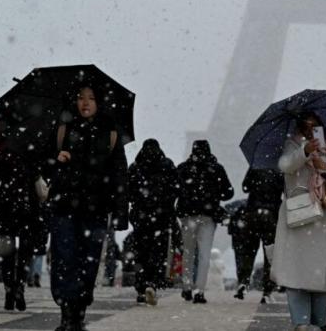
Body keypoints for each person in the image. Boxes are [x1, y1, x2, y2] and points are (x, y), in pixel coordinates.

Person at [46, 85, 128, 331]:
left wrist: (121, 211)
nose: (85, 103)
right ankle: (67, 313)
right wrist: (55, 160)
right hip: (64, 205)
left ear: (100, 102)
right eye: (81, 97)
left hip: (96, 207)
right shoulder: (61, 128)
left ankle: (79, 311)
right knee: (64, 258)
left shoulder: (110, 131)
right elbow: (41, 164)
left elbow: (120, 173)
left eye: (91, 98)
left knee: (88, 262)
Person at [271, 111, 326, 331]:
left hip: (321, 217)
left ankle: (320, 317)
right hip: (298, 215)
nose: (310, 129)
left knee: (323, 273)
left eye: (315, 125)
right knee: (296, 272)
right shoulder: (292, 145)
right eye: (306, 125)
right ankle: (301, 321)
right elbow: (285, 165)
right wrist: (304, 152)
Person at [176, 140, 233, 304]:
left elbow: (175, 189)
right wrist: (214, 195)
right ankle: (200, 291)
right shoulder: (216, 169)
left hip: (187, 216)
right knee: (204, 254)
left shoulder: (183, 169)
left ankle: (186, 287)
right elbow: (228, 192)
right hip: (207, 217)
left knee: (188, 252)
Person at [0, 149, 46, 311]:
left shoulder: (1, 155)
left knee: (7, 253)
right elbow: (39, 181)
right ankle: (20, 286)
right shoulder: (33, 154)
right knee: (25, 253)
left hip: (6, 209)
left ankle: (9, 290)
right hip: (28, 211)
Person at [127, 138, 179, 305]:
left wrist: (138, 204)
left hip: (141, 217)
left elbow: (127, 191)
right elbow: (176, 188)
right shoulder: (167, 165)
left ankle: (141, 285)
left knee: (141, 252)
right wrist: (165, 204)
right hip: (162, 217)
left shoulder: (135, 167)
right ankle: (153, 283)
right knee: (158, 252)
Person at [231, 168, 284, 303]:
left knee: (249, 251)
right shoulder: (280, 168)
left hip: (252, 214)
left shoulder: (255, 165)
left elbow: (245, 187)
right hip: (272, 214)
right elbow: (286, 190)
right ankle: (267, 290)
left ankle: (243, 280)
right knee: (270, 254)